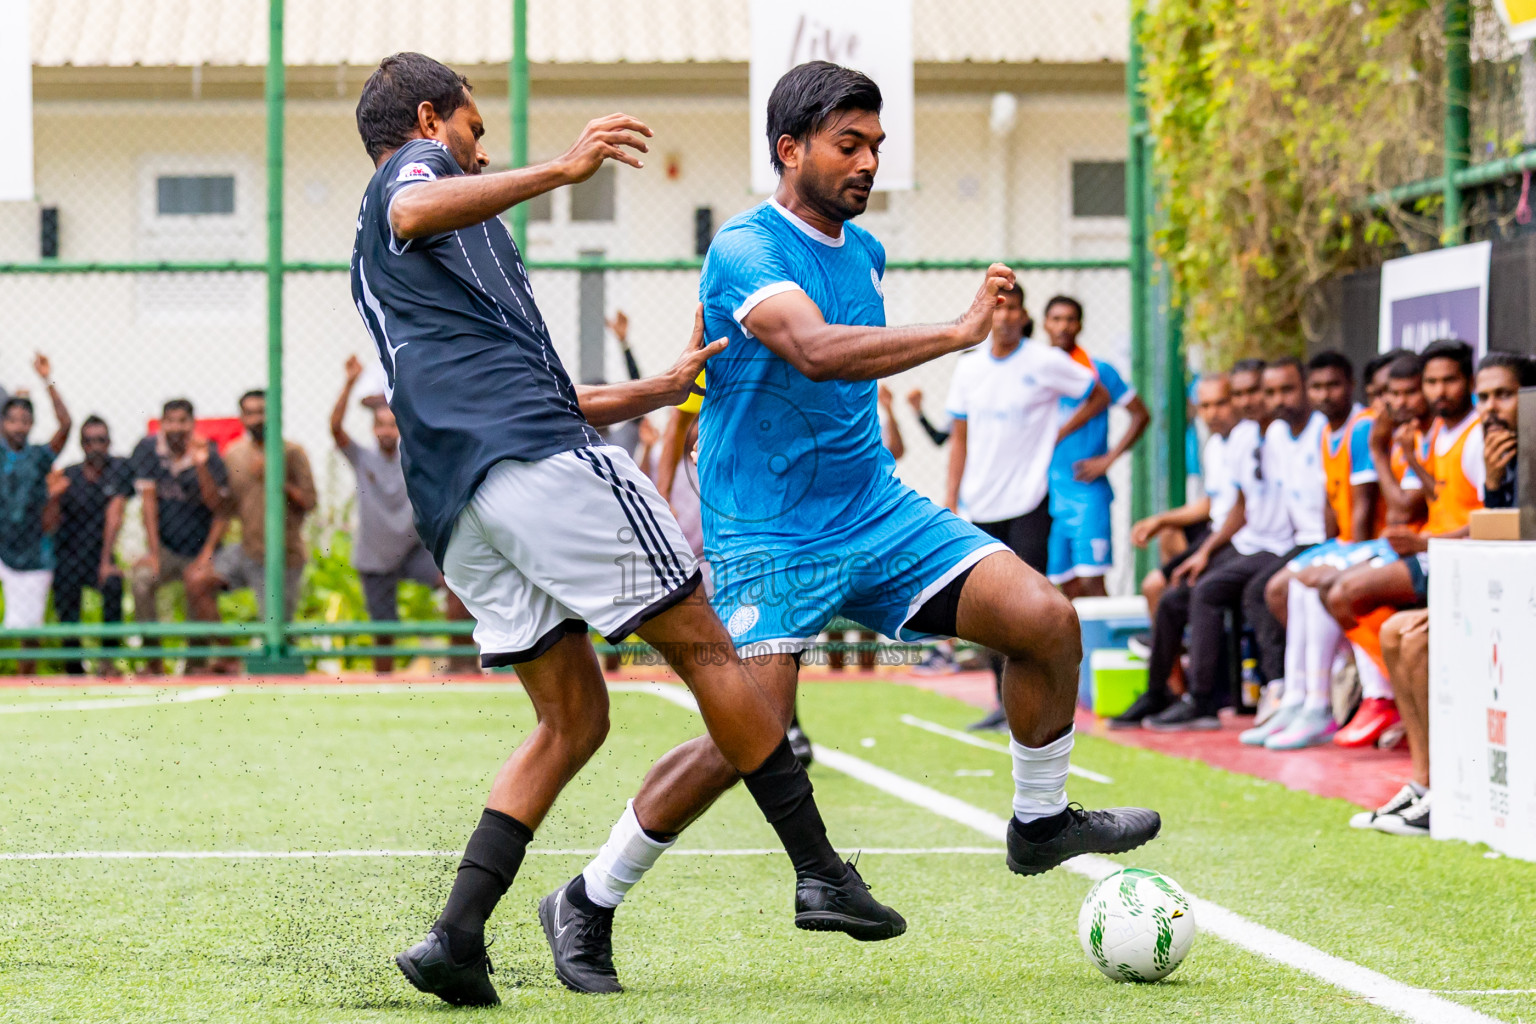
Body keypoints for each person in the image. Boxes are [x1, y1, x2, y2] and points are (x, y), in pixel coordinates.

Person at [552, 60, 1159, 995]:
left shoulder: (865, 251)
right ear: (789, 149)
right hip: (767, 533)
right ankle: (588, 898)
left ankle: (1040, 822)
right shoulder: (746, 247)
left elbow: (836, 366)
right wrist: (956, 332)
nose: (869, 161)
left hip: (875, 511)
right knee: (749, 733)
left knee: (1045, 619)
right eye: (849, 144)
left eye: (876, 144)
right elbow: (815, 350)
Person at [350, 53, 901, 1007]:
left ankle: (454, 938)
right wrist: (566, 170)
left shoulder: (401, 267)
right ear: (431, 120)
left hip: (461, 501)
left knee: (575, 718)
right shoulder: (417, 174)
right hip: (538, 468)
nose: (481, 155)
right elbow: (412, 203)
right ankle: (819, 870)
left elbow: (522, 388)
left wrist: (652, 390)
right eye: (475, 132)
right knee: (712, 652)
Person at [1349, 352, 1533, 839]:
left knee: (1408, 635)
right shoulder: (1490, 447)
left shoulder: (1498, 443)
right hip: (1483, 582)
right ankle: (1424, 782)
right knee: (1394, 630)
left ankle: (1446, 788)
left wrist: (1430, 539)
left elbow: (1509, 532)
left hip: (1508, 595)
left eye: (1504, 395)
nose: (1491, 407)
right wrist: (1494, 484)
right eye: (1485, 396)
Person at [944, 283, 1110, 729]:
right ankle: (1001, 701)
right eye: (997, 309)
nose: (1004, 317)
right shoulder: (969, 368)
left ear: (1023, 315)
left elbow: (1098, 394)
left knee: (1028, 606)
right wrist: (951, 499)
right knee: (985, 610)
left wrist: (1058, 433)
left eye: (1012, 308)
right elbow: (958, 440)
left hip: (1029, 502)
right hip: (979, 505)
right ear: (987, 314)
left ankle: (1038, 703)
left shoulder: (1044, 361)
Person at [1138, 359, 1312, 732]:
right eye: (1241, 393)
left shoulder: (1286, 435)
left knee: (1211, 591)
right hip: (1247, 542)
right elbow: (1240, 507)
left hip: (1281, 546)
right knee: (1173, 596)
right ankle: (1159, 693)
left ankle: (1207, 700)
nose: (1249, 401)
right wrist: (1205, 551)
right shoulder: (1244, 438)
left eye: (1256, 392)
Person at [1324, 340, 1485, 683]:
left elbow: (1494, 520)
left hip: (1458, 552)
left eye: (1449, 380)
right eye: (1432, 382)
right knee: (1328, 591)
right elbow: (1439, 493)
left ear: (1470, 382)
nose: (1439, 391)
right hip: (1432, 546)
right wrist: (1410, 456)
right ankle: (1386, 691)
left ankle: (1389, 691)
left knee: (1344, 593)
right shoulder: (1438, 431)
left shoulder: (1476, 434)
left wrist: (1426, 543)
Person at [1241, 351, 1370, 750]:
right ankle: (1299, 699)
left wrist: (1339, 554)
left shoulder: (1359, 427)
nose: (1324, 395)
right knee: (1295, 587)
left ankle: (1318, 703)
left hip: (1354, 544)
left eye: (1332, 385)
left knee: (1294, 586)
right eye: (1318, 387)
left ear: (1351, 386)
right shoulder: (1312, 432)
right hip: (1325, 541)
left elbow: (1358, 508)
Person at [332, 356, 475, 673]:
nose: (386, 430)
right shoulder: (363, 458)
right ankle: (384, 680)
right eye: (380, 424)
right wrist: (350, 383)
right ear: (373, 429)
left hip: (413, 549)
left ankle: (462, 662)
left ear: (401, 428)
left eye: (392, 424)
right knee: (384, 629)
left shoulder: (414, 456)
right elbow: (335, 428)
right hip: (375, 555)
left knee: (454, 583)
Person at [1041, 296, 1151, 598]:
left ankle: (1103, 632)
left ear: (1080, 325)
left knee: (1092, 581)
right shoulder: (1036, 370)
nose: (1063, 326)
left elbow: (1141, 414)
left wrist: (1108, 459)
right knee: (1064, 586)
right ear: (1045, 324)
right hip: (1047, 493)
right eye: (1056, 319)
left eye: (1070, 319)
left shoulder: (1099, 370)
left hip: (1086, 491)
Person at [129, 399, 228, 673]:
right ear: (162, 424)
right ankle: (153, 662)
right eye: (170, 421)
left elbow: (220, 510)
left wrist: (201, 465)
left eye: (182, 421)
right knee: (141, 580)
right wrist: (154, 552)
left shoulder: (210, 454)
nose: (176, 427)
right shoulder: (148, 450)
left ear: (192, 424)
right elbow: (149, 504)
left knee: (198, 584)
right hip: (167, 548)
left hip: (201, 548)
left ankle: (195, 665)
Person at [1130, 373, 1239, 620]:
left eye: (1220, 403)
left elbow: (1239, 512)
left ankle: (1177, 628)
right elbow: (1212, 504)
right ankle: (1181, 626)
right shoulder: (1214, 445)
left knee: (1153, 586)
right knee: (1169, 533)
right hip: (1216, 530)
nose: (1212, 413)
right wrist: (1160, 520)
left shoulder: (1247, 440)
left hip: (1233, 537)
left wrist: (1205, 551)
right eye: (1205, 406)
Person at [214, 389, 317, 622]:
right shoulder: (233, 454)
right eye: (250, 413)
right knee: (200, 581)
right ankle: (221, 645)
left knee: (276, 624)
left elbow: (310, 502)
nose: (257, 419)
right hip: (248, 550)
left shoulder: (292, 452)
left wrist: (276, 479)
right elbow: (226, 507)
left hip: (284, 555)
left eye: (262, 412)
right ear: (242, 417)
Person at [0, 354, 71, 674]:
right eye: (12, 420)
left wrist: (47, 380)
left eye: (24, 420)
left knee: (29, 631)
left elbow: (66, 425)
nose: (19, 426)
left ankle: (22, 683)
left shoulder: (40, 456)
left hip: (31, 550)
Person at [50, 416, 132, 675]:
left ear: (109, 442)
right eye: (89, 441)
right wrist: (54, 497)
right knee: (65, 596)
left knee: (113, 584)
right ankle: (74, 667)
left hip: (100, 554)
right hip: (68, 554)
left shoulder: (119, 470)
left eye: (101, 440)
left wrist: (106, 562)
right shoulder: (68, 475)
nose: (95, 446)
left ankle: (108, 661)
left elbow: (115, 516)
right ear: (82, 444)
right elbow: (51, 524)